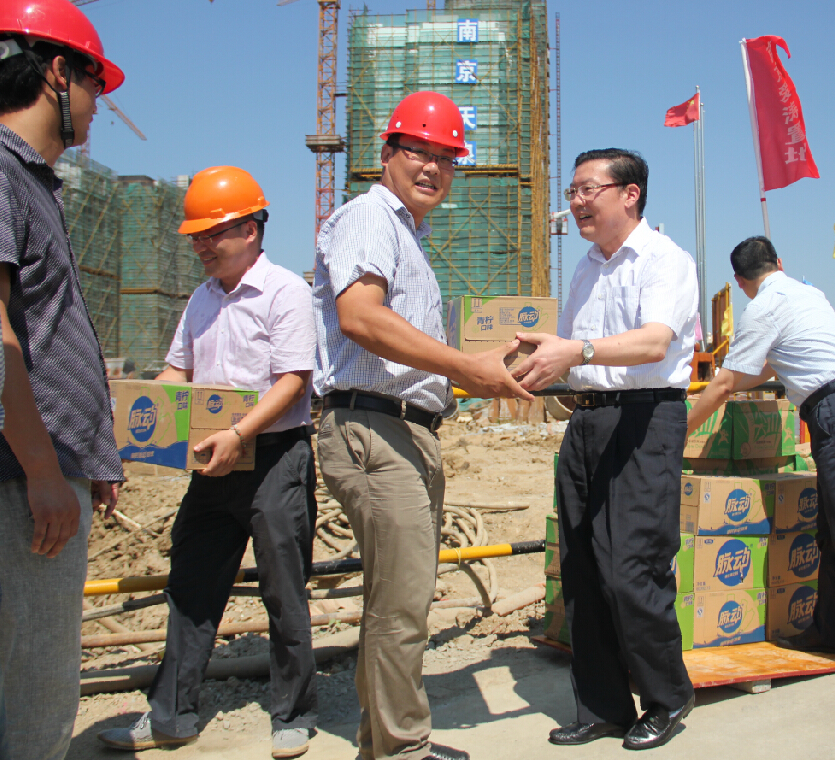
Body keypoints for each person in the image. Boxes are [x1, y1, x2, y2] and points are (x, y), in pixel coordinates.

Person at [313, 91, 528, 760]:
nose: (433, 167)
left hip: (403, 429)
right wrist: (466, 367)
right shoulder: (369, 218)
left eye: (446, 157)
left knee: (400, 597)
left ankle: (383, 742)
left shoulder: (406, 234)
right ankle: (401, 749)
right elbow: (360, 317)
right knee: (401, 603)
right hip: (374, 428)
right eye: (418, 151)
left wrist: (473, 374)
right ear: (387, 154)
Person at [96, 168, 320, 758]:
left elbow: (293, 380)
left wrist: (239, 433)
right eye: (195, 235)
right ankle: (171, 715)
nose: (200, 245)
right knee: (191, 585)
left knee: (284, 589)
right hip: (211, 462)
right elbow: (179, 371)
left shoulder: (284, 292)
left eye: (211, 233)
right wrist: (136, 423)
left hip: (274, 459)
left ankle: (293, 713)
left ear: (249, 230)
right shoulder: (201, 298)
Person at [511, 148, 698, 750]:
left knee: (632, 567)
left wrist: (577, 351)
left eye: (588, 189)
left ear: (630, 194)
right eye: (572, 192)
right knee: (583, 569)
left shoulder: (665, 260)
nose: (576, 202)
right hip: (588, 421)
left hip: (645, 419)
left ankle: (667, 696)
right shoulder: (586, 268)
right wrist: (538, 357)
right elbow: (573, 352)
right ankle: (602, 706)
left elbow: (652, 344)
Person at [687, 236, 835, 686]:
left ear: (739, 281)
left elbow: (724, 384)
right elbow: (768, 367)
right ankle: (827, 631)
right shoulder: (807, 293)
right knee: (834, 531)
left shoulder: (761, 308)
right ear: (779, 262)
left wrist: (681, 430)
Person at [0, 2, 124, 757]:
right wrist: (45, 470)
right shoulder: (3, 174)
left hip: (40, 473)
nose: (98, 105)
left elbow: (44, 333)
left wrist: (88, 457)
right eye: (94, 85)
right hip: (20, 482)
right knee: (35, 696)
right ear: (56, 72)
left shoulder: (32, 184)